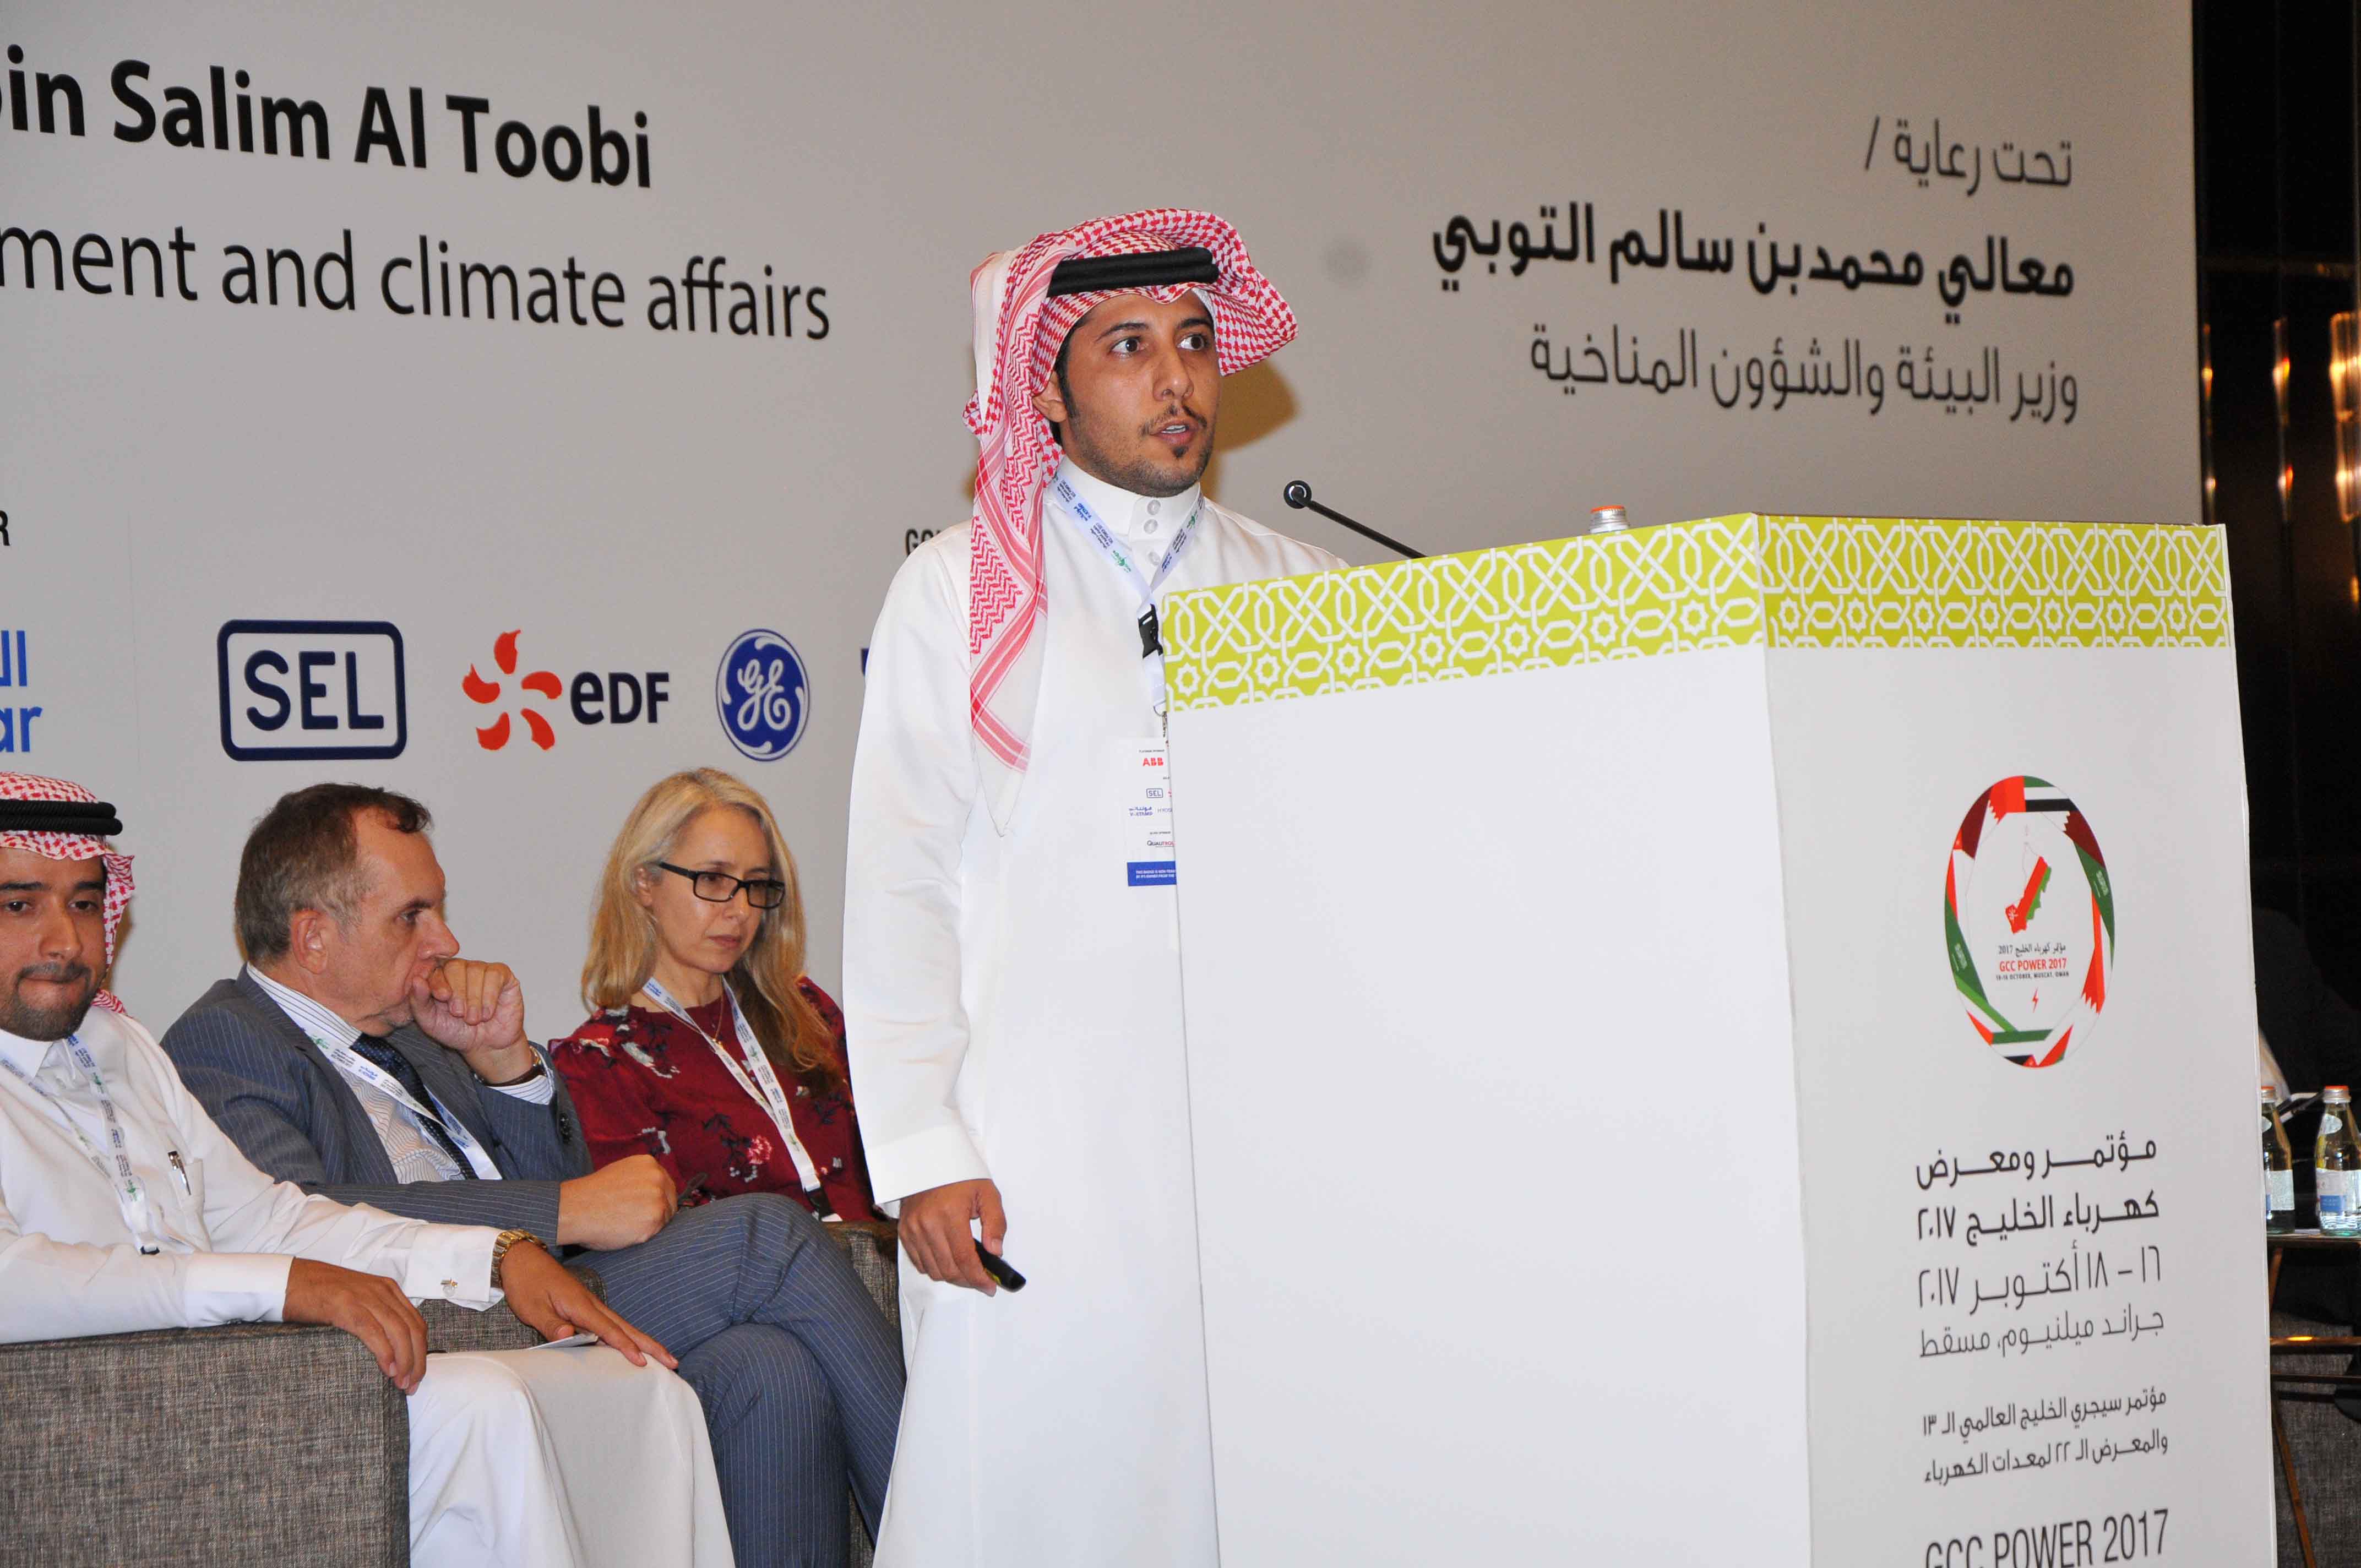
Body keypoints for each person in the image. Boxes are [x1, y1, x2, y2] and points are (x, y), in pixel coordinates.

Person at [843, 209, 1344, 1564]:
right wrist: (924, 1151)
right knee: (1038, 1479)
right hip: (1036, 1147)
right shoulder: (957, 591)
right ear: (1046, 387)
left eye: (1193, 341)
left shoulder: (1299, 585)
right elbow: (898, 883)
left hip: (1257, 1143)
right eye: (1126, 347)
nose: (1175, 379)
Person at [162, 782, 904, 1568]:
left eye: (439, 908)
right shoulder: (225, 1041)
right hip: (429, 1319)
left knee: (770, 1370)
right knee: (767, 1236)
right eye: (412, 916)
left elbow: (576, 1219)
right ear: (313, 937)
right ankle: (944, 1535)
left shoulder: (417, 1030)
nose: (446, 939)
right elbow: (295, 1216)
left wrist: (507, 1065)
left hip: (545, 1292)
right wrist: (556, 1210)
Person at [0, 772, 730, 1568]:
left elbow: (269, 1216)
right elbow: (15, 1280)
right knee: (486, 1402)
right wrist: (280, 1284)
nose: (66, 942)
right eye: (19, 906)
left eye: (83, 903)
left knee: (644, 1390)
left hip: (226, 1385)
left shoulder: (120, 1049)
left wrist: (492, 1253)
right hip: (87, 1430)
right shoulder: (221, 1038)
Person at [551, 769, 880, 1222]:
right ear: (645, 883)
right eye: (713, 880)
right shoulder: (601, 1064)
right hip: (761, 1269)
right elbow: (658, 1246)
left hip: (882, 1258)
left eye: (756, 884)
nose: (740, 910)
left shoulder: (804, 1008)